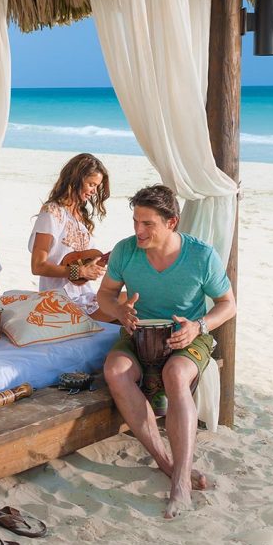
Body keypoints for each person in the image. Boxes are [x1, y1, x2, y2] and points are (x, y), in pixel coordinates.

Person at [98, 185, 236, 519]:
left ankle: (181, 486)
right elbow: (104, 295)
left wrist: (198, 326)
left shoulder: (201, 255)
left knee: (175, 375)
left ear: (171, 222)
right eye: (135, 221)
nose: (138, 231)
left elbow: (228, 304)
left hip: (188, 336)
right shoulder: (125, 251)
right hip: (138, 332)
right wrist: (120, 312)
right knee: (114, 371)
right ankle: (168, 464)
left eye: (148, 224)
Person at [28, 153, 111, 317]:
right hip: (59, 301)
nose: (94, 191)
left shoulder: (81, 217)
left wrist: (98, 263)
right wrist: (80, 272)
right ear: (76, 179)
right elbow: (37, 266)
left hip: (84, 296)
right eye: (91, 184)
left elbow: (79, 260)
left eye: (97, 187)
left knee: (133, 306)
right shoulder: (51, 212)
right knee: (126, 307)